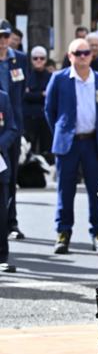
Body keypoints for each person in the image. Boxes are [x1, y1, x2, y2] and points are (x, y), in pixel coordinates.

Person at [45, 38, 98, 254]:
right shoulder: (58, 79)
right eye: (77, 53)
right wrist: (62, 133)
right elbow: (50, 111)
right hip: (68, 144)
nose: (82, 56)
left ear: (91, 55)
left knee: (96, 191)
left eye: (86, 52)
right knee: (66, 191)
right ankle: (63, 233)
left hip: (93, 142)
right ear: (70, 56)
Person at [0, 19, 27, 241]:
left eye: (6, 36)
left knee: (11, 175)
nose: (2, 40)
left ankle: (11, 222)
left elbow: (21, 94)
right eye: (0, 36)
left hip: (12, 126)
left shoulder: (21, 60)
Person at [0, 89, 19, 273]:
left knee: (1, 214)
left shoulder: (3, 97)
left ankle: (2, 256)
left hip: (0, 165)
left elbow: (12, 128)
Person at [23, 46, 53, 158]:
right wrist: (41, 94)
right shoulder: (27, 77)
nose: (38, 60)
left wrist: (32, 94)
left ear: (46, 60)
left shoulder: (51, 77)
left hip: (45, 119)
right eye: (35, 58)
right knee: (29, 150)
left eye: (41, 58)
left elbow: (50, 96)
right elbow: (24, 96)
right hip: (30, 118)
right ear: (31, 60)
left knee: (46, 150)